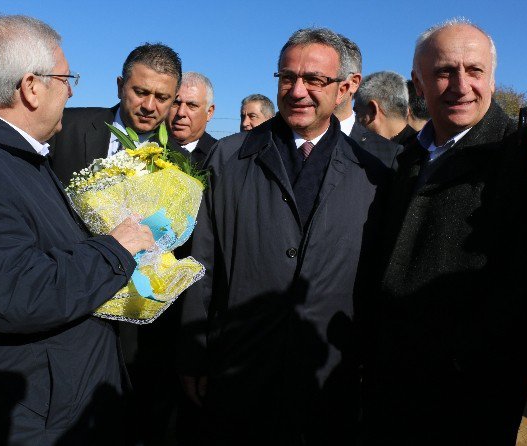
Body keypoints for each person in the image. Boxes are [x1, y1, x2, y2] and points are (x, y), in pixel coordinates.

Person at [0, 15, 155, 445]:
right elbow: (21, 295)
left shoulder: (16, 158)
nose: (71, 91)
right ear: (30, 87)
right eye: (66, 79)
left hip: (51, 401)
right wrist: (115, 250)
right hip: (25, 416)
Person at [177, 27, 394, 445]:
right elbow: (205, 260)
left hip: (328, 373)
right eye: (287, 77)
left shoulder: (377, 170)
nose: (298, 91)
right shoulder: (230, 156)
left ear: (345, 87)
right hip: (239, 365)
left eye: (315, 80)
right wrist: (192, 351)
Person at [363, 18, 527, 445]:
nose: (460, 85)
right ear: (417, 83)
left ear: (492, 79)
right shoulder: (401, 158)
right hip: (389, 387)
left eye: (473, 71)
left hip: (471, 401)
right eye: (443, 71)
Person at [49, 42, 187, 185]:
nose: (149, 106)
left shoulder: (180, 162)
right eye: (140, 93)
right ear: (120, 87)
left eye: (162, 98)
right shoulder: (65, 126)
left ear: (173, 100)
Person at [332, 35, 402, 166]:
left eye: (317, 77)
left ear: (353, 82)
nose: (301, 88)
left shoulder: (388, 155)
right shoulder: (284, 139)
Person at [167, 71, 217, 168]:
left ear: (209, 112)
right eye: (175, 103)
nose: (181, 113)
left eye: (192, 105)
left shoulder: (219, 156)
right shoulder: (146, 147)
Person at [353, 71, 417, 145]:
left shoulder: (365, 152)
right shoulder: (426, 149)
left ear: (373, 110)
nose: (355, 120)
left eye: (357, 112)